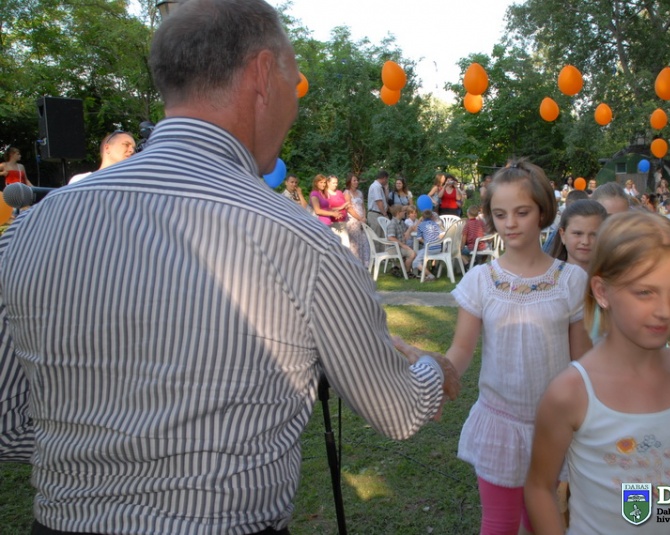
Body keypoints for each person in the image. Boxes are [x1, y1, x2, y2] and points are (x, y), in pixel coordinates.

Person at [0, 2, 460, 533]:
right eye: (293, 80)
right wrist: (434, 370)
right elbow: (398, 411)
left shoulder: (29, 228)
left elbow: (8, 425)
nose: (295, 104)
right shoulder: (302, 242)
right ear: (262, 74)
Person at [524, 210, 670, 535]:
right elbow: (539, 487)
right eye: (645, 292)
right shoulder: (570, 392)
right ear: (602, 292)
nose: (665, 310)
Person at [443, 159, 592, 534]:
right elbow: (461, 350)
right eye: (500, 214)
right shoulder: (481, 280)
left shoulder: (571, 280)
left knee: (542, 521)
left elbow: (584, 360)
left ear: (543, 212)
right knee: (500, 524)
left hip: (553, 426)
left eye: (522, 212)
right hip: (500, 424)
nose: (510, 223)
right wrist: (436, 379)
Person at [548, 199, 608, 272]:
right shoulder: (546, 276)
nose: (585, 242)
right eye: (578, 233)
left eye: (594, 235)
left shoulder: (616, 276)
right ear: (563, 235)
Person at [69, 131, 136, 184]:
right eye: (126, 145)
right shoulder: (80, 180)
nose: (132, 150)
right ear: (107, 148)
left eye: (134, 148)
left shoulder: (133, 181)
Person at [343, 172, 369, 268]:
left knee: (363, 241)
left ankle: (364, 263)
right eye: (354, 180)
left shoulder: (360, 193)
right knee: (355, 243)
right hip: (352, 220)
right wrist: (359, 218)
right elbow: (349, 208)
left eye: (357, 180)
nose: (356, 182)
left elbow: (363, 206)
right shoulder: (347, 193)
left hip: (362, 220)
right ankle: (355, 264)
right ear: (349, 182)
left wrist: (364, 217)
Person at [410, 209, 443, 281]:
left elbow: (419, 238)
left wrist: (426, 242)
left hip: (429, 249)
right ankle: (424, 272)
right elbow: (442, 235)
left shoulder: (421, 225)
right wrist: (435, 240)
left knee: (416, 262)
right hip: (438, 248)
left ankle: (430, 276)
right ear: (431, 216)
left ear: (422, 217)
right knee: (419, 252)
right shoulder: (436, 224)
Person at [386, 204, 415, 274]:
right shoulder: (393, 223)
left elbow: (410, 228)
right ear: (398, 213)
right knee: (412, 254)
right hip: (393, 248)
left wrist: (408, 231)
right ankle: (407, 272)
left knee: (415, 249)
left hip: (400, 247)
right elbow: (391, 237)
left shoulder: (401, 222)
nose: (405, 212)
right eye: (403, 211)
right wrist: (403, 245)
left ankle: (397, 268)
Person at [326, 174, 350, 248]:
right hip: (333, 223)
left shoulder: (339, 192)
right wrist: (340, 207)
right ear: (328, 183)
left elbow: (345, 203)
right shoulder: (325, 193)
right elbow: (326, 208)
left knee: (346, 245)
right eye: (333, 183)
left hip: (343, 222)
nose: (335, 185)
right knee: (336, 246)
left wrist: (346, 206)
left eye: (336, 183)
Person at [367, 170, 389, 236]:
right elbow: (379, 201)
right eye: (387, 179)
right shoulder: (376, 187)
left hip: (379, 214)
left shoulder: (379, 187)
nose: (387, 181)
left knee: (382, 235)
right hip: (375, 214)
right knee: (377, 236)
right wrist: (384, 213)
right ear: (384, 178)